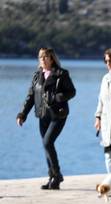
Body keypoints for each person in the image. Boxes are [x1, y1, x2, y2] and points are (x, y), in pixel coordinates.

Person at [16, 48, 76, 190]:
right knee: (46, 145)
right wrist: (22, 114)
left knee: (48, 142)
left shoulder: (61, 74)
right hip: (42, 115)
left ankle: (57, 175)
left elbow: (72, 92)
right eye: (40, 57)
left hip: (58, 114)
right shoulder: (37, 75)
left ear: (52, 59)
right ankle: (52, 178)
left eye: (46, 57)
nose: (42, 59)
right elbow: (30, 96)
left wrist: (59, 97)